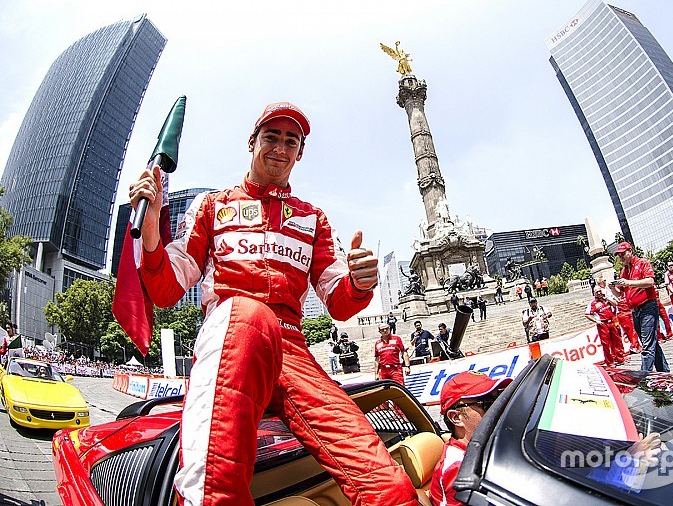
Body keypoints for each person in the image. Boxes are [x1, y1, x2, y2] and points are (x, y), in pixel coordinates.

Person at [129, 101, 415, 504]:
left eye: (291, 141)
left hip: (293, 349)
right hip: (234, 332)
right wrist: (153, 224)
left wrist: (359, 282)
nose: (280, 148)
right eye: (271, 137)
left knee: (390, 486)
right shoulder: (211, 205)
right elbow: (167, 287)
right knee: (216, 486)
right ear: (252, 142)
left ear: (300, 153)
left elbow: (337, 301)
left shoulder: (313, 217)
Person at [429, 371, 512, 506]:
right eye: (487, 403)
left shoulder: (486, 445)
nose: (498, 408)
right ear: (456, 418)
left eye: (498, 399)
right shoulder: (459, 470)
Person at [611, 243, 669, 372]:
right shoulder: (624, 271)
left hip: (648, 306)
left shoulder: (643, 263)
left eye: (623, 254)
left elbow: (650, 281)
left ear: (630, 251)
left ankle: (644, 376)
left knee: (647, 345)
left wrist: (629, 282)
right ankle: (664, 372)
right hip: (635, 311)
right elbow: (620, 293)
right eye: (619, 256)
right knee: (649, 342)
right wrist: (612, 288)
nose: (621, 258)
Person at [585, 288, 624, 367]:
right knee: (606, 344)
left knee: (617, 341)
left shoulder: (607, 298)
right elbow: (587, 314)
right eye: (597, 292)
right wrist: (596, 321)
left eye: (600, 291)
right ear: (594, 293)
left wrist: (607, 299)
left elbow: (616, 304)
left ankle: (620, 358)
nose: (599, 293)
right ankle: (610, 362)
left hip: (612, 321)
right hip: (603, 324)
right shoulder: (592, 303)